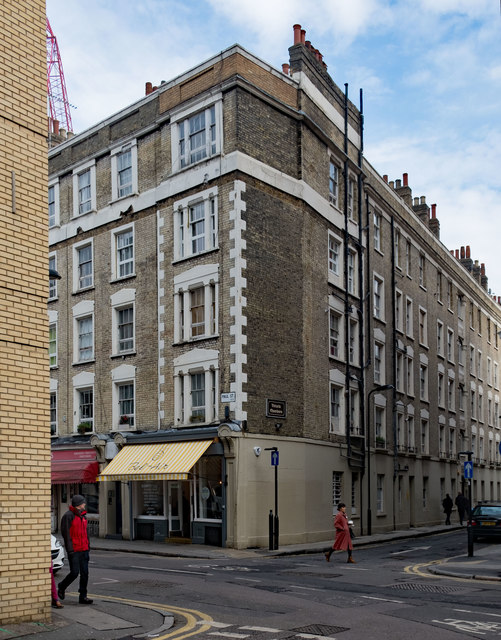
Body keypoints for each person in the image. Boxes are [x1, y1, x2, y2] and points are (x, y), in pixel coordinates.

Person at [58, 495, 93, 605]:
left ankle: (83, 596)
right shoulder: (68, 516)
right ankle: (62, 586)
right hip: (75, 550)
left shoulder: (83, 516)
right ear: (79, 504)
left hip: (84, 549)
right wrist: (70, 550)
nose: (85, 504)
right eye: (83, 503)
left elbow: (86, 533)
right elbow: (66, 534)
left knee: (85, 574)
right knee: (74, 573)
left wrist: (88, 545)